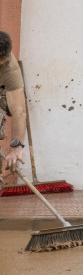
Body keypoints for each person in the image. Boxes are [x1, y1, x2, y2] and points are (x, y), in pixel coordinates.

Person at [0, 31, 27, 184]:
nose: (1, 64)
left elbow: (19, 111)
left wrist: (16, 146)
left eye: (2, 61)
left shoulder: (10, 69)